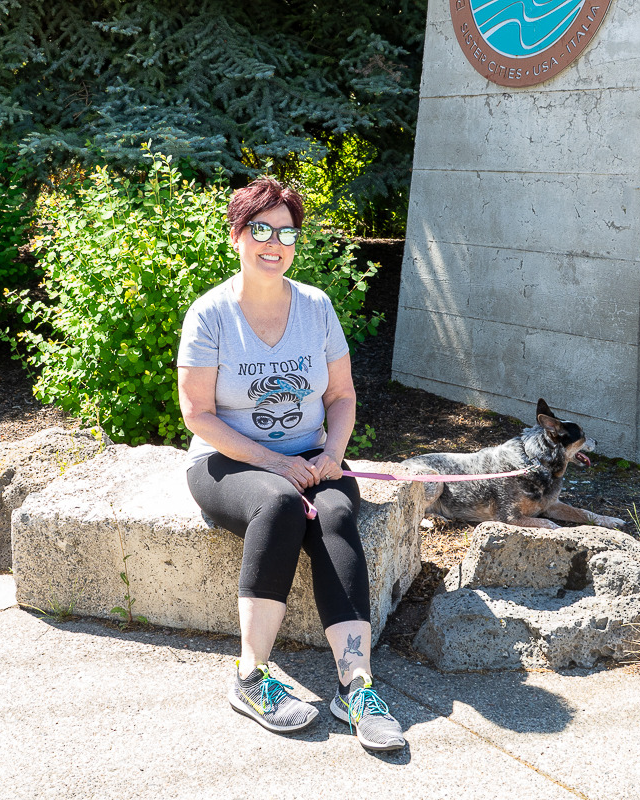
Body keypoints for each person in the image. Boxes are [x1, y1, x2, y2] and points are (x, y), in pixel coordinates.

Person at [177, 177, 406, 752]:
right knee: (280, 505)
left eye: (286, 232)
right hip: (227, 460)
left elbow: (341, 396)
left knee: (331, 512)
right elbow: (198, 414)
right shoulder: (209, 316)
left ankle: (356, 687)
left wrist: (331, 454)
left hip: (310, 457)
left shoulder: (315, 307)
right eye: (261, 229)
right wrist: (273, 462)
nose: (274, 242)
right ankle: (251, 677)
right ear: (238, 235)